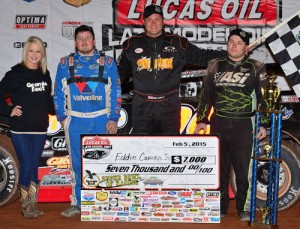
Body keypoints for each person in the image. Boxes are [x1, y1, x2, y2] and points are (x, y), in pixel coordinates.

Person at [194, 29, 268, 221]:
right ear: (227, 44)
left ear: (247, 48)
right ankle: (221, 207)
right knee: (220, 169)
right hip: (219, 122)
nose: (234, 46)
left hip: (244, 124)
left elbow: (264, 98)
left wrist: (264, 124)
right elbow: (206, 96)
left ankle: (244, 208)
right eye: (231, 42)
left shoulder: (257, 66)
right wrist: (202, 120)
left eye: (239, 43)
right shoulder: (214, 65)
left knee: (244, 170)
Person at [118, 4, 226, 135]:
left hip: (169, 106)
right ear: (143, 21)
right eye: (149, 19)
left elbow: (203, 57)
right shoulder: (131, 44)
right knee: (143, 147)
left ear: (163, 21)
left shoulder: (177, 43)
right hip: (142, 106)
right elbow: (118, 75)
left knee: (169, 147)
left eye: (157, 19)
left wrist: (229, 54)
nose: (153, 23)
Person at [54, 25, 122, 217]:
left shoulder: (108, 62)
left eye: (88, 38)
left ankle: (105, 201)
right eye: (80, 38)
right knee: (76, 164)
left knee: (103, 162)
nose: (84, 42)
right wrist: (62, 118)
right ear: (75, 42)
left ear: (94, 40)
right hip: (75, 121)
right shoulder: (64, 63)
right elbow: (58, 92)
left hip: (102, 119)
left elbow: (117, 91)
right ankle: (77, 203)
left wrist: (114, 118)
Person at [0, 36, 55, 218]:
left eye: (38, 51)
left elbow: (48, 100)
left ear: (42, 54)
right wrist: (9, 110)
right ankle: (26, 207)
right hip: (21, 129)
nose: (34, 55)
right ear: (26, 52)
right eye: (31, 51)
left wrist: (60, 114)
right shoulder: (14, 74)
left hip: (39, 128)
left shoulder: (45, 73)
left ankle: (32, 205)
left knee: (33, 166)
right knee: (27, 164)